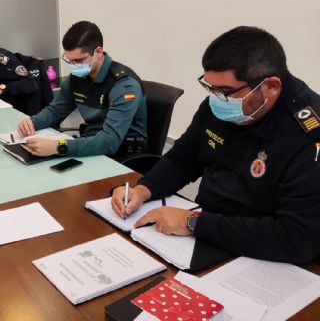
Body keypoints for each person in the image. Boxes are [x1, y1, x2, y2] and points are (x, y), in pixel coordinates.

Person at [111, 26, 320, 264]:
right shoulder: (221, 106)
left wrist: (193, 223)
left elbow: (298, 238)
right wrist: (143, 189)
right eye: (210, 87)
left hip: (265, 256)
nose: (216, 98)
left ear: (270, 86)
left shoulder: (308, 135)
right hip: (203, 237)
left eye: (226, 91)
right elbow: (183, 159)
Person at [17, 21, 147, 158]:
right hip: (90, 146)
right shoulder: (78, 77)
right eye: (70, 61)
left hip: (120, 156)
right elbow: (56, 111)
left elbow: (109, 142)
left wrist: (59, 146)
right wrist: (33, 123)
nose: (74, 66)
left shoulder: (124, 86)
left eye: (79, 61)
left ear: (98, 52)